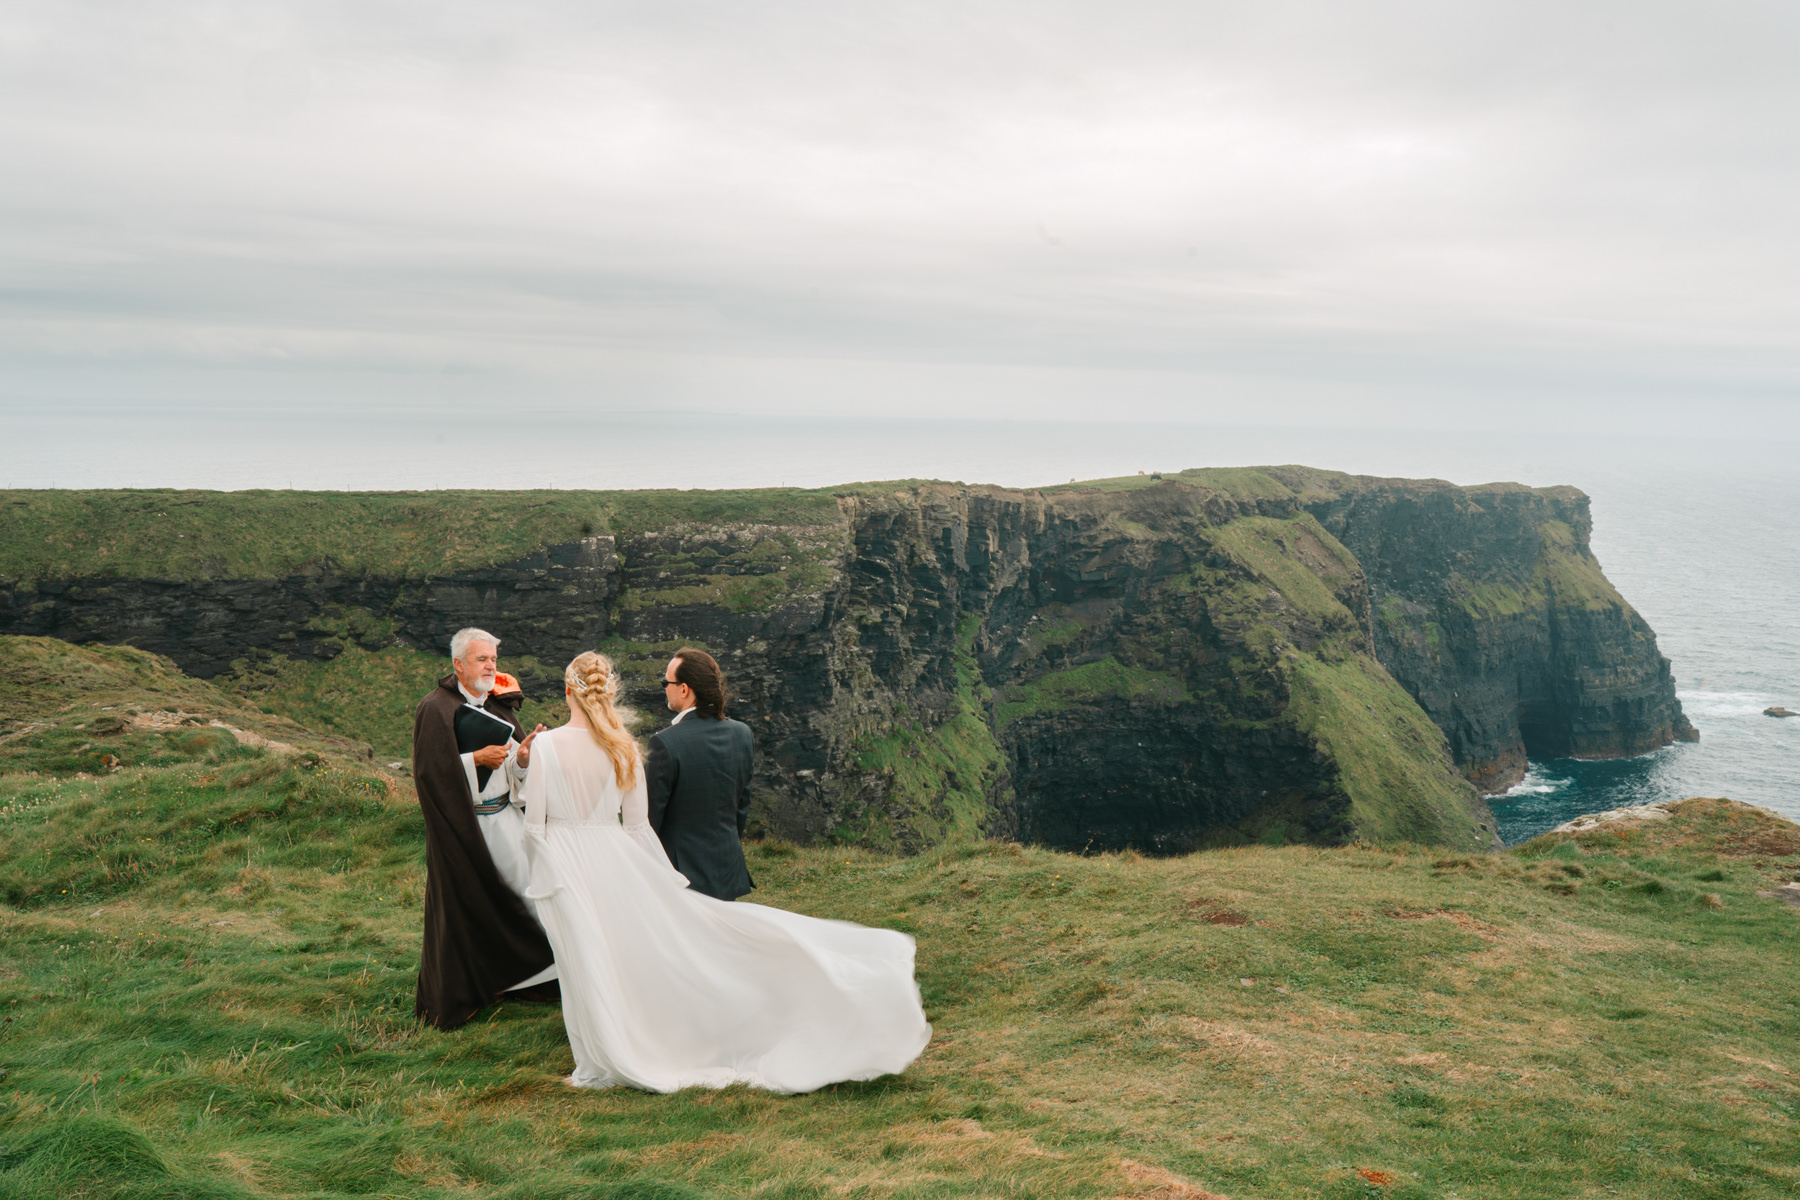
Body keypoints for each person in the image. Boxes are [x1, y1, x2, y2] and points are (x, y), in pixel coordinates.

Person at [519, 651, 931, 1093]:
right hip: (643, 861)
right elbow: (646, 827)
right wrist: (661, 879)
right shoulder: (634, 747)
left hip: (573, 866)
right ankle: (631, 1046)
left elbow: (535, 827)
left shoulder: (556, 746)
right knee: (655, 954)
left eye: (667, 683)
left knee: (588, 958)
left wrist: (546, 876)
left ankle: (602, 1053)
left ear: (567, 691)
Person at [411, 627, 557, 1030]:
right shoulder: (436, 708)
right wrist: (474, 758)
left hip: (505, 822)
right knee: (468, 905)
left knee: (525, 897)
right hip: (464, 828)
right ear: (459, 665)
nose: (491, 667)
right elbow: (429, 772)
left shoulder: (499, 708)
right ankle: (469, 989)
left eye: (493, 659)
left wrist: (522, 758)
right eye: (481, 659)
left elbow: (513, 772)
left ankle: (526, 980)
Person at [645, 647, 756, 901]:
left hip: (680, 878)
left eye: (666, 682)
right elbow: (740, 809)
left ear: (684, 689)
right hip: (727, 871)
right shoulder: (742, 734)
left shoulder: (664, 743)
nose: (664, 688)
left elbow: (649, 822)